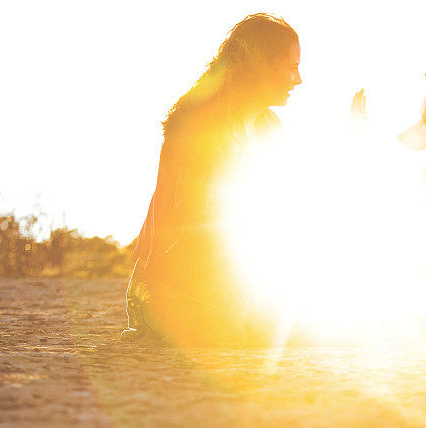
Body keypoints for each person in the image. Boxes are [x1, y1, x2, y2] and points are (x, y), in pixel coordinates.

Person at [122, 13, 302, 346]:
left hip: (233, 288)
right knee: (304, 331)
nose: (299, 79)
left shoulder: (268, 128)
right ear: (262, 64)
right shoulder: (196, 121)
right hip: (178, 289)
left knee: (322, 324)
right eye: (291, 67)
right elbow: (181, 229)